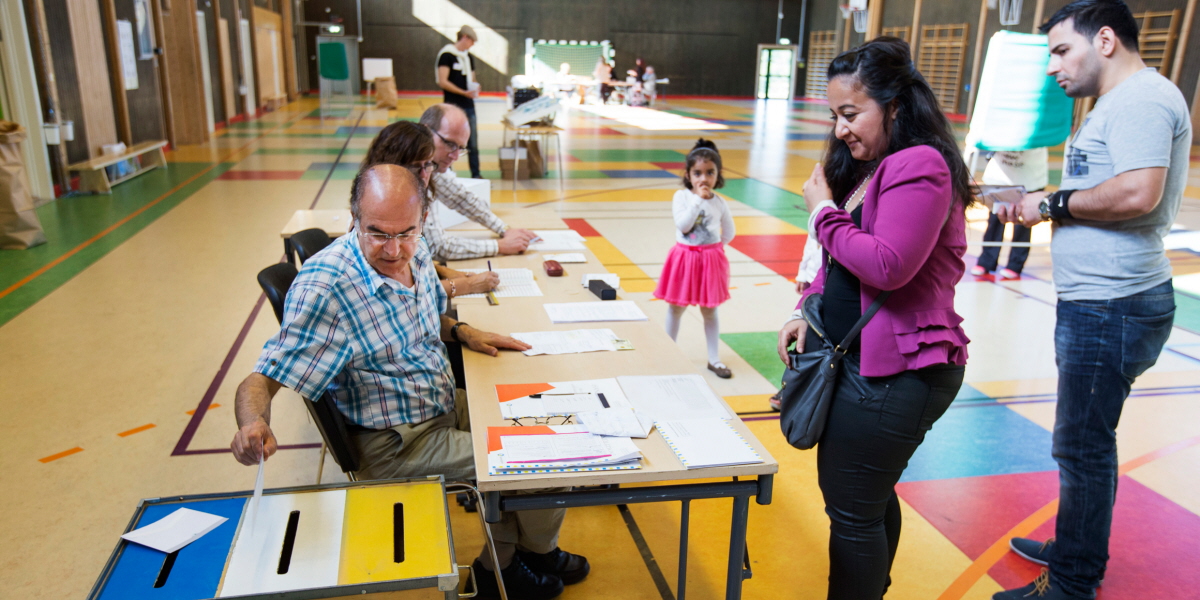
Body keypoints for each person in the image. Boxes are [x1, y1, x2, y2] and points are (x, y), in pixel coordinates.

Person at [230, 164, 589, 600]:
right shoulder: (325, 289)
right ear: (354, 218)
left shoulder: (415, 253)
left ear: (422, 220)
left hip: (441, 402)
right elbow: (261, 380)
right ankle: (504, 568)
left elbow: (422, 316)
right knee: (541, 459)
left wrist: (463, 331)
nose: (394, 249)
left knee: (553, 425)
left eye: (406, 232)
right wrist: (253, 424)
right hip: (398, 442)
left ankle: (527, 553)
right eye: (377, 233)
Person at [992, 1, 1191, 598]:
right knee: (1083, 442)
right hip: (1102, 302)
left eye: (1061, 50)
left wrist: (1051, 204)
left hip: (1113, 305)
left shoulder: (1141, 100)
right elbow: (1106, 185)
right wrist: (1042, 201)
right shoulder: (1117, 101)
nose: (1052, 66)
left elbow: (1137, 193)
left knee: (1082, 447)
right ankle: (1076, 546)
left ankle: (1073, 582)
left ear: (1104, 40)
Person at [775, 38, 972, 599]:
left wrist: (821, 211)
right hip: (864, 363)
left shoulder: (921, 164)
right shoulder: (874, 167)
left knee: (853, 511)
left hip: (900, 371)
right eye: (834, 116)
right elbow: (841, 260)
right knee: (865, 501)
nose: (840, 129)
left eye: (850, 113)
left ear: (894, 106)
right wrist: (807, 308)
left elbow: (887, 265)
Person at [360, 120, 500, 300]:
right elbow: (399, 294)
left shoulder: (415, 194)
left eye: (428, 164)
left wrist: (447, 272)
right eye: (415, 166)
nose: (424, 175)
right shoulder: (380, 212)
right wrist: (468, 285)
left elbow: (412, 261)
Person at [654, 139, 736, 379]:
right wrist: (698, 199)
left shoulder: (720, 203)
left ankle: (714, 359)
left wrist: (713, 249)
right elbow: (683, 225)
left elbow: (729, 232)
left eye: (710, 172)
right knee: (676, 308)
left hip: (709, 261)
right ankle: (669, 353)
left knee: (710, 311)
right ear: (688, 175)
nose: (704, 178)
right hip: (684, 259)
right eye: (697, 173)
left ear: (718, 175)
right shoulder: (681, 197)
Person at [418, 104, 539, 261]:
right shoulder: (416, 172)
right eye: (449, 144)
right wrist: (499, 246)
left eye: (460, 148)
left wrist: (504, 229)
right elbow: (437, 247)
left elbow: (460, 198)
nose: (455, 156)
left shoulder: (429, 163)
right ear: (426, 131)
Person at [971, 148, 1047, 279]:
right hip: (1000, 175)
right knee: (995, 219)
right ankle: (986, 261)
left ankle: (1015, 265)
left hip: (1030, 175)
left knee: (1023, 222)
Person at [436, 25, 483, 179]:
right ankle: (447, 176)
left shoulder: (468, 58)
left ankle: (476, 175)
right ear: (464, 37)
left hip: (469, 106)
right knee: (449, 143)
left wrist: (475, 87)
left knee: (473, 143)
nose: (472, 45)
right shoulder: (447, 55)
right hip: (451, 106)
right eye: (472, 41)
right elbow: (443, 81)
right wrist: (462, 92)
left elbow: (472, 78)